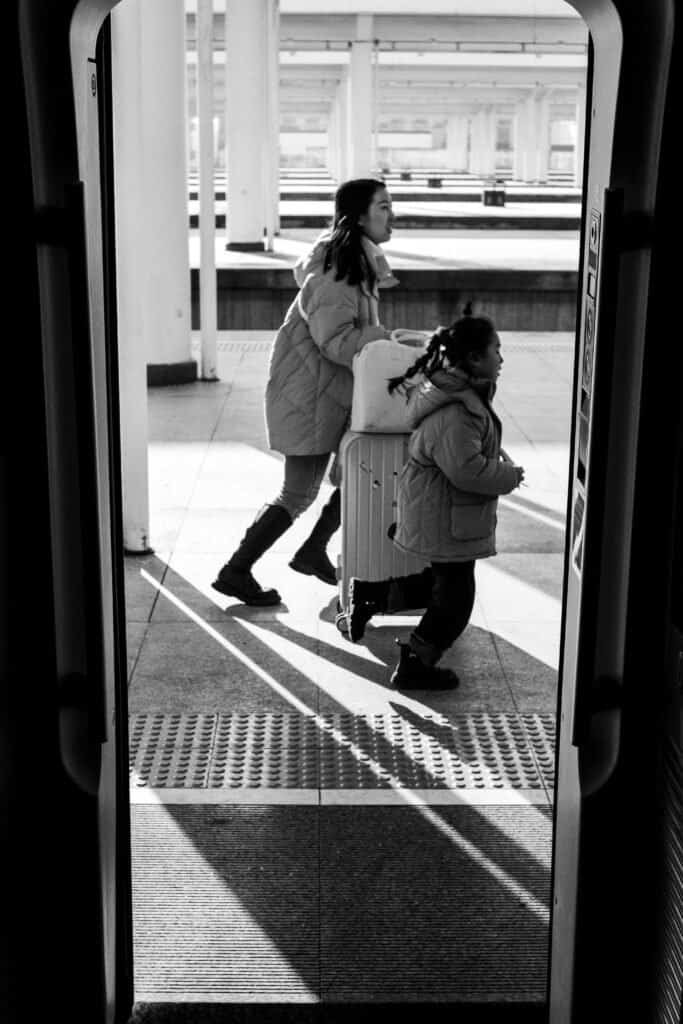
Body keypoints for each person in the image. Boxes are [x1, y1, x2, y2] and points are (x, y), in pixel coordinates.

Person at [212, 178, 400, 606]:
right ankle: (237, 570)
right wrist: (381, 337)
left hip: (327, 393)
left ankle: (310, 550)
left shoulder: (353, 264)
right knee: (298, 493)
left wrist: (381, 340)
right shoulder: (339, 273)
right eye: (385, 207)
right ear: (359, 216)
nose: (393, 216)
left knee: (360, 472)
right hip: (313, 397)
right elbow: (336, 342)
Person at [341, 304, 525, 689]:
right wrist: (508, 476)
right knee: (456, 602)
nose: (502, 358)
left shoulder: (462, 395)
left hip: (445, 513)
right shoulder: (457, 410)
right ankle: (416, 664)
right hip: (445, 515)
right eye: (497, 350)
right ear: (474, 359)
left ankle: (372, 596)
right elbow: (467, 471)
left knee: (443, 585)